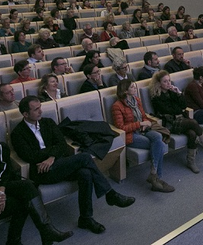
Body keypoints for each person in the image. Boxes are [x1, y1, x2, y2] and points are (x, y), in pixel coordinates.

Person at [10, 96, 135, 234]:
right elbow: (29, 156)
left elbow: (62, 145)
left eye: (40, 107)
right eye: (36, 109)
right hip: (42, 171)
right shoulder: (18, 133)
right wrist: (51, 155)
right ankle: (110, 194)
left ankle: (86, 218)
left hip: (59, 163)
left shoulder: (48, 123)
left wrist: (52, 157)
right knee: (85, 157)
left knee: (85, 173)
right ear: (25, 114)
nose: (41, 111)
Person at [0, 122, 74, 245]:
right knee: (24, 201)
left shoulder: (1, 148)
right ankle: (20, 239)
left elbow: (6, 173)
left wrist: (1, 191)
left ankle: (45, 231)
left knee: (28, 186)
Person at [150, 71, 203, 173]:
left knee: (192, 133)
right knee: (193, 123)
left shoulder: (172, 92)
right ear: (159, 83)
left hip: (180, 119)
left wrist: (178, 93)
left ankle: (190, 161)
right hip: (169, 123)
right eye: (165, 81)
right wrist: (178, 109)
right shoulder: (156, 97)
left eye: (169, 80)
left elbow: (183, 105)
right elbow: (168, 110)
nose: (168, 83)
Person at [111, 80, 174, 192]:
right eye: (132, 87)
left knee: (158, 137)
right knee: (158, 144)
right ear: (125, 91)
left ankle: (153, 175)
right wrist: (139, 124)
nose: (135, 89)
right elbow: (121, 127)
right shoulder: (117, 106)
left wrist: (146, 123)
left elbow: (144, 116)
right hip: (131, 135)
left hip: (143, 130)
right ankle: (156, 177)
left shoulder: (137, 100)